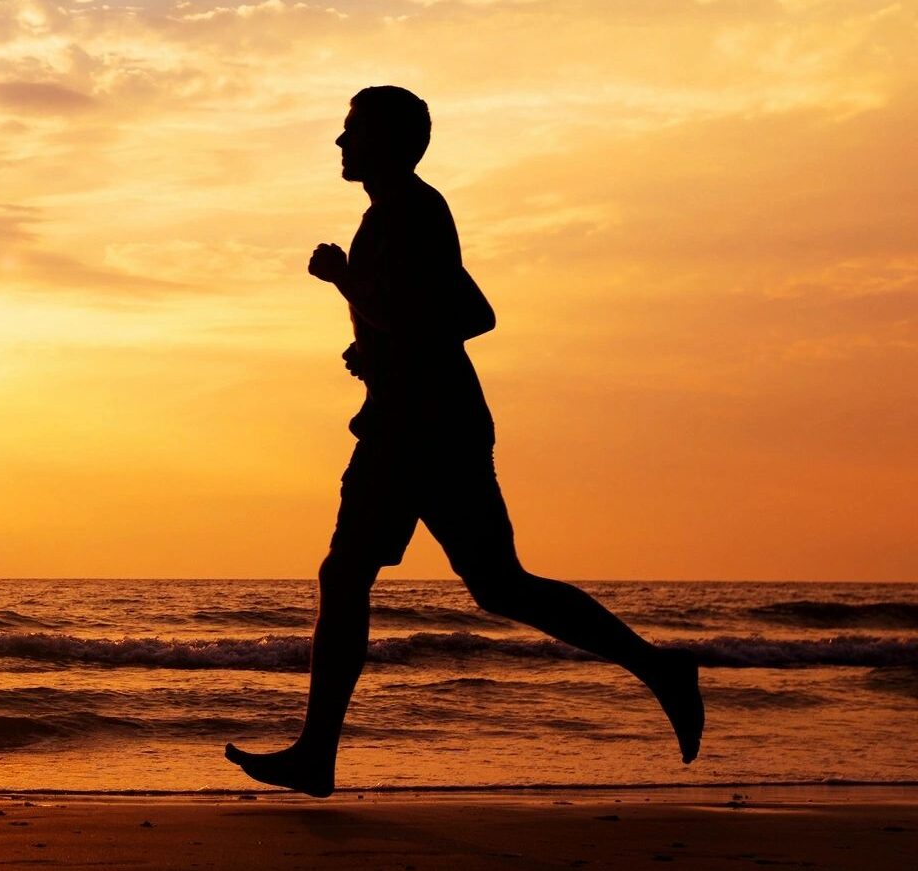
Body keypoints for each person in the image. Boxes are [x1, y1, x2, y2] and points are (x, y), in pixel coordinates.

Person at [223, 86, 704, 798]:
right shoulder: (385, 218)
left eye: (352, 130)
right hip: (405, 417)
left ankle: (317, 753)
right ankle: (317, 752)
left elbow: (458, 317)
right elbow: (452, 313)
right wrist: (376, 353)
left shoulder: (417, 213)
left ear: (390, 141)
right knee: (449, 579)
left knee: (400, 576)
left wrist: (346, 283)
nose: (339, 143)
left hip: (428, 427)